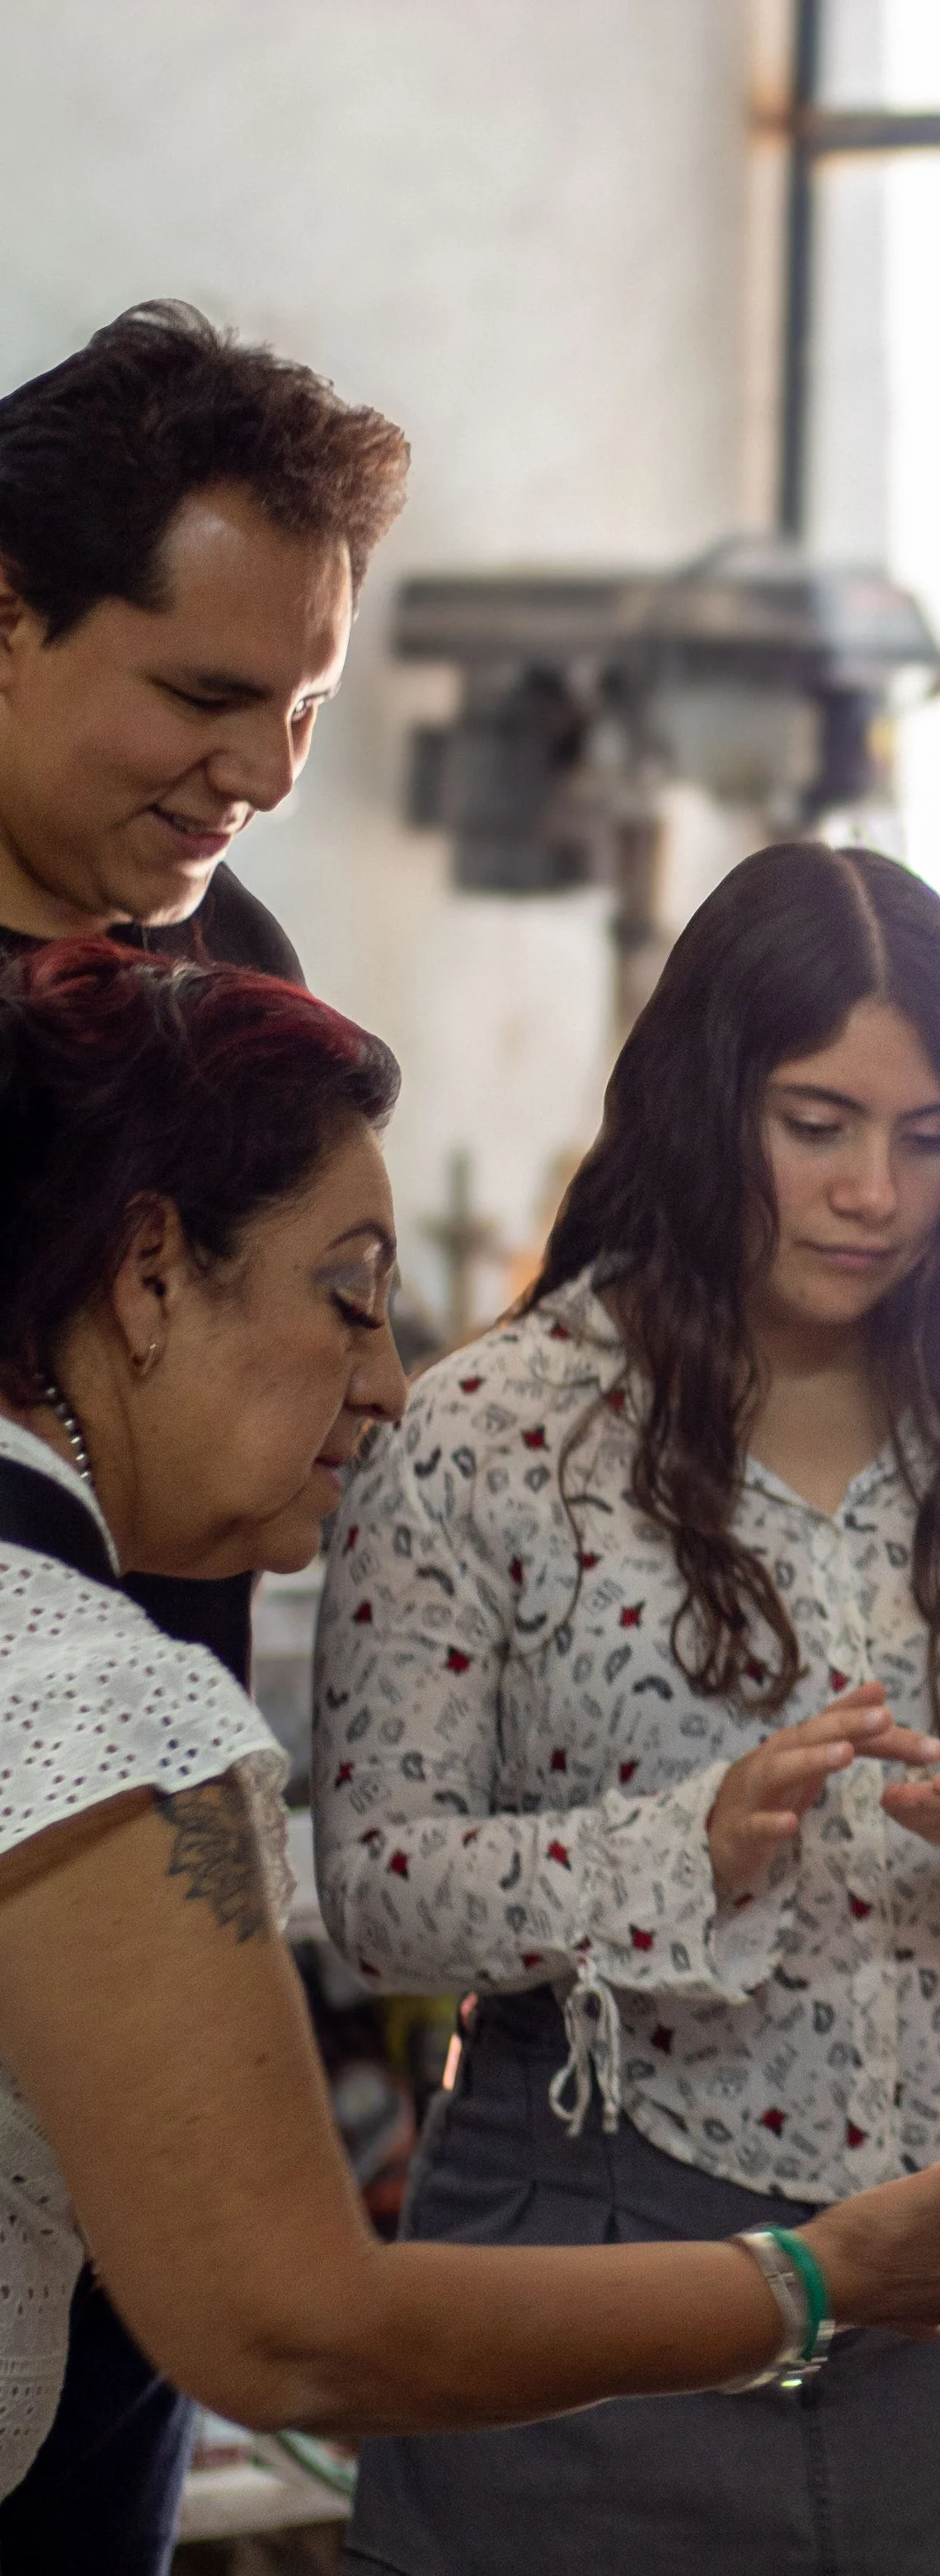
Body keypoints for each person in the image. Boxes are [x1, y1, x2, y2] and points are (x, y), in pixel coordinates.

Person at [0, 936, 940, 2540]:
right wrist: (807, 2278)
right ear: (152, 1271)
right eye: (349, 1297)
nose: (385, 1381)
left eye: (925, 1134)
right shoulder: (101, 1702)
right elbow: (292, 2313)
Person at [314, 841, 940, 2576]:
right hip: (594, 2277)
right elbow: (374, 1883)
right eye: (817, 1122)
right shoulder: (492, 1432)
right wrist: (680, 1851)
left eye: (926, 1134)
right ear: (702, 1099)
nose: (875, 1188)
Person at [0, 298, 411, 2574]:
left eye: (304, 711)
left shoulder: (215, 957)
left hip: (150, 1898)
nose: (257, 770)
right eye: (198, 696)